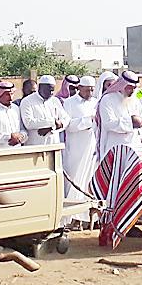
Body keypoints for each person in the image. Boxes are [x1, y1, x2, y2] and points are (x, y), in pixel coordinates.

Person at [60, 76, 99, 227]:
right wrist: (88, 120)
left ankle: (89, 219)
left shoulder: (96, 102)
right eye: (87, 90)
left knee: (90, 182)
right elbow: (68, 125)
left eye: (92, 90)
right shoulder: (69, 103)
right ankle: (72, 219)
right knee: (75, 182)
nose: (90, 93)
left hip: (92, 149)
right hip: (76, 150)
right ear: (80, 88)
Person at [96, 70, 142, 159]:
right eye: (129, 87)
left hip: (134, 146)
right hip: (115, 147)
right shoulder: (107, 99)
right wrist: (131, 123)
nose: (132, 91)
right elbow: (108, 123)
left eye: (134, 88)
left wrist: (139, 130)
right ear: (122, 85)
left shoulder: (135, 100)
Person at [21, 75, 70, 145]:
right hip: (35, 146)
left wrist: (52, 128)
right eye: (49, 90)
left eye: (53, 90)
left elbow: (66, 119)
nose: (51, 93)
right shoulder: (27, 101)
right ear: (40, 87)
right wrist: (53, 122)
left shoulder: (55, 100)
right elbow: (29, 123)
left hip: (53, 144)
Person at [0, 82, 28, 149]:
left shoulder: (16, 108)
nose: (10, 98)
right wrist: (9, 137)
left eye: (12, 94)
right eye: (7, 94)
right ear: (0, 94)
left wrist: (21, 136)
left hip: (16, 150)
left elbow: (23, 128)